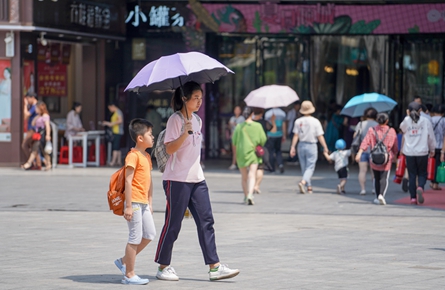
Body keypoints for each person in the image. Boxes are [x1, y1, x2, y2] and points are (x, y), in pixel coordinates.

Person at [155, 81, 240, 281]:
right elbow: (169, 149)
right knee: (173, 224)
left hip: (197, 179)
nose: (200, 101)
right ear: (184, 98)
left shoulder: (198, 120)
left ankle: (214, 267)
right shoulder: (175, 120)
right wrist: (185, 132)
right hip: (176, 179)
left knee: (206, 222)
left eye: (201, 98)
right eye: (196, 98)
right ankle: (162, 267)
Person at [114, 118, 156, 285]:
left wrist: (151, 201)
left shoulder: (146, 156)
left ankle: (124, 261)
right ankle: (129, 274)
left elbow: (150, 180)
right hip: (135, 203)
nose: (153, 137)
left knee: (150, 234)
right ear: (140, 138)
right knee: (135, 237)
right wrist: (129, 206)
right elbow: (128, 181)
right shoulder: (133, 156)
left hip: (144, 203)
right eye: (150, 134)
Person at [355, 113, 398, 205]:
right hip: (386, 158)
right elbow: (395, 145)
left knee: (376, 177)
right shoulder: (391, 131)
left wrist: (359, 153)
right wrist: (394, 155)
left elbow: (365, 142)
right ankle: (381, 195)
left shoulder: (372, 130)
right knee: (384, 177)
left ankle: (377, 196)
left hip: (374, 157)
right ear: (387, 121)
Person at [400, 102, 436, 205]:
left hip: (409, 152)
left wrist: (408, 116)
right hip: (422, 151)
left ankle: (413, 198)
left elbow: (401, 128)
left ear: (408, 111)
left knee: (412, 175)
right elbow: (431, 137)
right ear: (420, 110)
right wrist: (432, 149)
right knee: (422, 173)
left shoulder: (406, 121)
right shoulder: (425, 121)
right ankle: (420, 186)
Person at [290, 101, 329, 194]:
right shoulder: (316, 121)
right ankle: (303, 182)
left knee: (304, 167)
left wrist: (292, 147)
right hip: (312, 145)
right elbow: (320, 135)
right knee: (310, 167)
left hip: (301, 144)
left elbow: (296, 135)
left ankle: (309, 186)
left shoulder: (298, 121)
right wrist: (325, 147)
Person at [232, 107, 267, 205]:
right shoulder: (258, 126)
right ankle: (250, 195)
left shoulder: (239, 126)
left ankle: (245, 195)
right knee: (252, 175)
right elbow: (263, 140)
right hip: (253, 153)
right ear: (252, 114)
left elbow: (234, 141)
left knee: (244, 177)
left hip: (241, 153)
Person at [353, 108, 378, 195]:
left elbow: (355, 136)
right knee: (374, 171)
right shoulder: (377, 125)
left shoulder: (360, 124)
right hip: (374, 151)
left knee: (362, 170)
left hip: (362, 150)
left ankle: (362, 189)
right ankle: (374, 188)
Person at [21, 101, 52, 171]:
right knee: (42, 150)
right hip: (38, 135)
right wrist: (37, 116)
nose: (36, 110)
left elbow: (47, 126)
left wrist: (48, 135)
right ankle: (48, 163)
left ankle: (29, 163)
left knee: (38, 150)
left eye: (37, 108)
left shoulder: (45, 116)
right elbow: (33, 123)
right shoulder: (39, 116)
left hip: (42, 135)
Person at [252, 107, 276, 194]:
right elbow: (273, 131)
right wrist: (273, 121)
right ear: (261, 114)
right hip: (262, 148)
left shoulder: (251, 123)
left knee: (252, 168)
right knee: (260, 168)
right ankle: (256, 186)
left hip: (252, 148)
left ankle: (252, 184)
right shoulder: (264, 123)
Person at [265, 108, 287, 173]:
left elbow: (267, 125)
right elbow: (284, 125)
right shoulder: (282, 113)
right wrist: (284, 134)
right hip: (279, 134)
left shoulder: (267, 113)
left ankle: (272, 167)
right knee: (278, 151)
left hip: (270, 134)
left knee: (271, 151)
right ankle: (280, 164)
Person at [102, 102, 124, 167]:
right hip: (116, 131)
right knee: (118, 147)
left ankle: (113, 161)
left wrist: (111, 124)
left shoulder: (118, 112)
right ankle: (119, 161)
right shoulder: (116, 112)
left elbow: (120, 121)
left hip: (117, 131)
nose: (110, 110)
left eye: (110, 108)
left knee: (115, 147)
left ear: (113, 106)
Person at [430, 104, 445, 190]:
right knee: (438, 165)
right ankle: (436, 183)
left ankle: (431, 181)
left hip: (431, 145)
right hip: (441, 146)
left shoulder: (430, 120)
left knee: (431, 164)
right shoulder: (444, 120)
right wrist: (443, 150)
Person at [22, 92, 39, 161]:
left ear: (32, 98)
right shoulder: (35, 106)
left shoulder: (35, 106)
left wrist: (25, 105)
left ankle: (31, 162)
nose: (27, 101)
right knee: (33, 147)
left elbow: (26, 116)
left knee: (24, 145)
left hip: (33, 129)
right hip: (33, 129)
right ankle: (38, 163)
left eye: (28, 99)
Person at [228, 105, 245, 170]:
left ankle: (241, 164)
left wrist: (235, 124)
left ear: (240, 111)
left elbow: (242, 127)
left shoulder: (242, 118)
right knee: (234, 151)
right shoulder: (232, 118)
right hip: (233, 135)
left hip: (240, 136)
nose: (237, 111)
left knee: (240, 150)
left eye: (238, 110)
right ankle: (234, 164)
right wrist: (229, 124)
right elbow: (230, 128)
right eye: (236, 110)